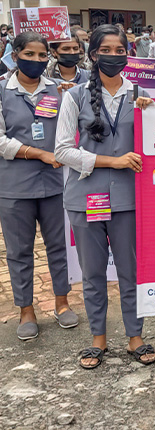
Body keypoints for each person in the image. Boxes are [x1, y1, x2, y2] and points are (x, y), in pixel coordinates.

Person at [56, 24, 155, 368]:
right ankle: (98, 338)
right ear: (93, 54)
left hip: (129, 200)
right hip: (85, 199)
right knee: (93, 273)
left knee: (130, 271)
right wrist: (112, 161)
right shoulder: (75, 96)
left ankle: (135, 336)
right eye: (106, 50)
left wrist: (151, 114)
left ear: (128, 54)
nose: (114, 56)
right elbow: (62, 151)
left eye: (120, 50)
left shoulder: (141, 94)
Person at [0, 32, 79, 341]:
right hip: (14, 186)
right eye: (29, 54)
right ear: (15, 55)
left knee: (58, 245)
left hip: (54, 183)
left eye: (42, 55)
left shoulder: (58, 90)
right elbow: (1, 141)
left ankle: (62, 302)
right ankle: (26, 310)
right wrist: (39, 153)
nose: (36, 60)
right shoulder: (2, 91)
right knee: (20, 251)